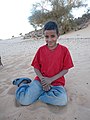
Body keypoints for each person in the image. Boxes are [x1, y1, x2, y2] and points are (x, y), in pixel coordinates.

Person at [13, 20, 74, 106]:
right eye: (46, 37)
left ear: (58, 36)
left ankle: (39, 95)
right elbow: (36, 67)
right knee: (24, 101)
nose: (49, 40)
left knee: (62, 101)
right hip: (41, 81)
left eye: (52, 36)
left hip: (57, 83)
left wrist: (50, 80)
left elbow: (65, 69)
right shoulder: (41, 50)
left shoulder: (64, 50)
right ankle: (23, 83)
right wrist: (43, 80)